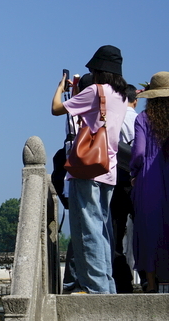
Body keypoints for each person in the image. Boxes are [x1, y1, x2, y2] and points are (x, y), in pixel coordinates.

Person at [52, 46, 130, 293]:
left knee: (87, 229)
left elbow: (56, 109)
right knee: (103, 228)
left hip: (86, 169)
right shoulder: (121, 95)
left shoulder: (95, 92)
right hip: (109, 168)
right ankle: (106, 283)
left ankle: (96, 287)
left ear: (98, 70)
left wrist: (61, 88)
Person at [131, 71, 169, 292]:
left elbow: (138, 152)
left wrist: (134, 173)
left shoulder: (143, 119)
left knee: (149, 232)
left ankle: (152, 283)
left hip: (149, 181)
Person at [111, 84, 139, 292]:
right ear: (135, 100)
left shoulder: (115, 119)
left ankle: (122, 281)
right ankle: (148, 277)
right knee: (143, 231)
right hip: (140, 180)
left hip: (119, 179)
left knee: (116, 234)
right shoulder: (142, 119)